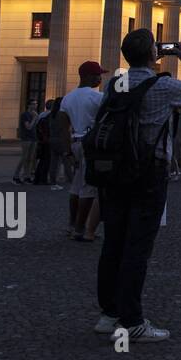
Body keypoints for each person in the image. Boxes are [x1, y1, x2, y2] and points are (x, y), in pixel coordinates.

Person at [94, 30, 181, 342]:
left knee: (113, 242)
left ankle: (109, 314)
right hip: (147, 171)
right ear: (154, 55)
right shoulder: (162, 85)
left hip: (114, 171)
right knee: (137, 246)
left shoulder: (115, 83)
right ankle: (132, 322)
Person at [61, 61, 105, 241]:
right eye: (97, 75)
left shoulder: (68, 98)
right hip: (91, 143)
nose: (100, 78)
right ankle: (81, 228)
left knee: (76, 187)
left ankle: (71, 224)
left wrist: (67, 151)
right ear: (87, 76)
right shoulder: (97, 97)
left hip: (75, 141)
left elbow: (63, 127)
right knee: (90, 188)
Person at [14, 103, 38, 184]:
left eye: (36, 104)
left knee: (30, 158)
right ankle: (16, 175)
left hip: (33, 138)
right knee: (24, 157)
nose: (35, 106)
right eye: (34, 104)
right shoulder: (25, 115)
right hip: (26, 139)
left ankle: (27, 176)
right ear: (29, 105)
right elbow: (28, 127)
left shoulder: (34, 114)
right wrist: (35, 118)